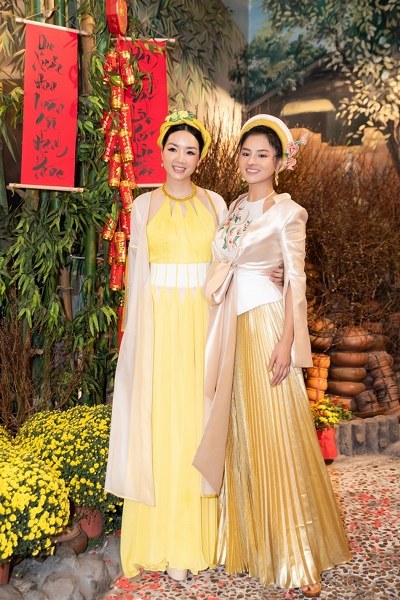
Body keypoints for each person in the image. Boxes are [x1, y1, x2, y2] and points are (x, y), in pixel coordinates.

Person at [105, 110, 283, 581]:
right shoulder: (143, 206)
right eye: (173, 149)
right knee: (160, 425)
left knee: (196, 424)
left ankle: (194, 541)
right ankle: (158, 540)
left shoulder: (216, 204)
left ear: (200, 158)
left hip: (205, 324)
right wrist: (134, 341)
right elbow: (137, 279)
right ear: (161, 152)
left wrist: (273, 272)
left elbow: (235, 261)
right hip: (159, 327)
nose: (181, 158)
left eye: (190, 151)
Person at [194, 114, 351, 597]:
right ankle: (251, 543)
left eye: (262, 154)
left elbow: (296, 282)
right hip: (232, 326)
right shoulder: (234, 207)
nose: (252, 161)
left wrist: (287, 341)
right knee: (242, 431)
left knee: (279, 431)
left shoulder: (289, 212)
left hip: (266, 326)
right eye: (246, 153)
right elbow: (224, 263)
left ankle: (298, 554)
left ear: (279, 162)